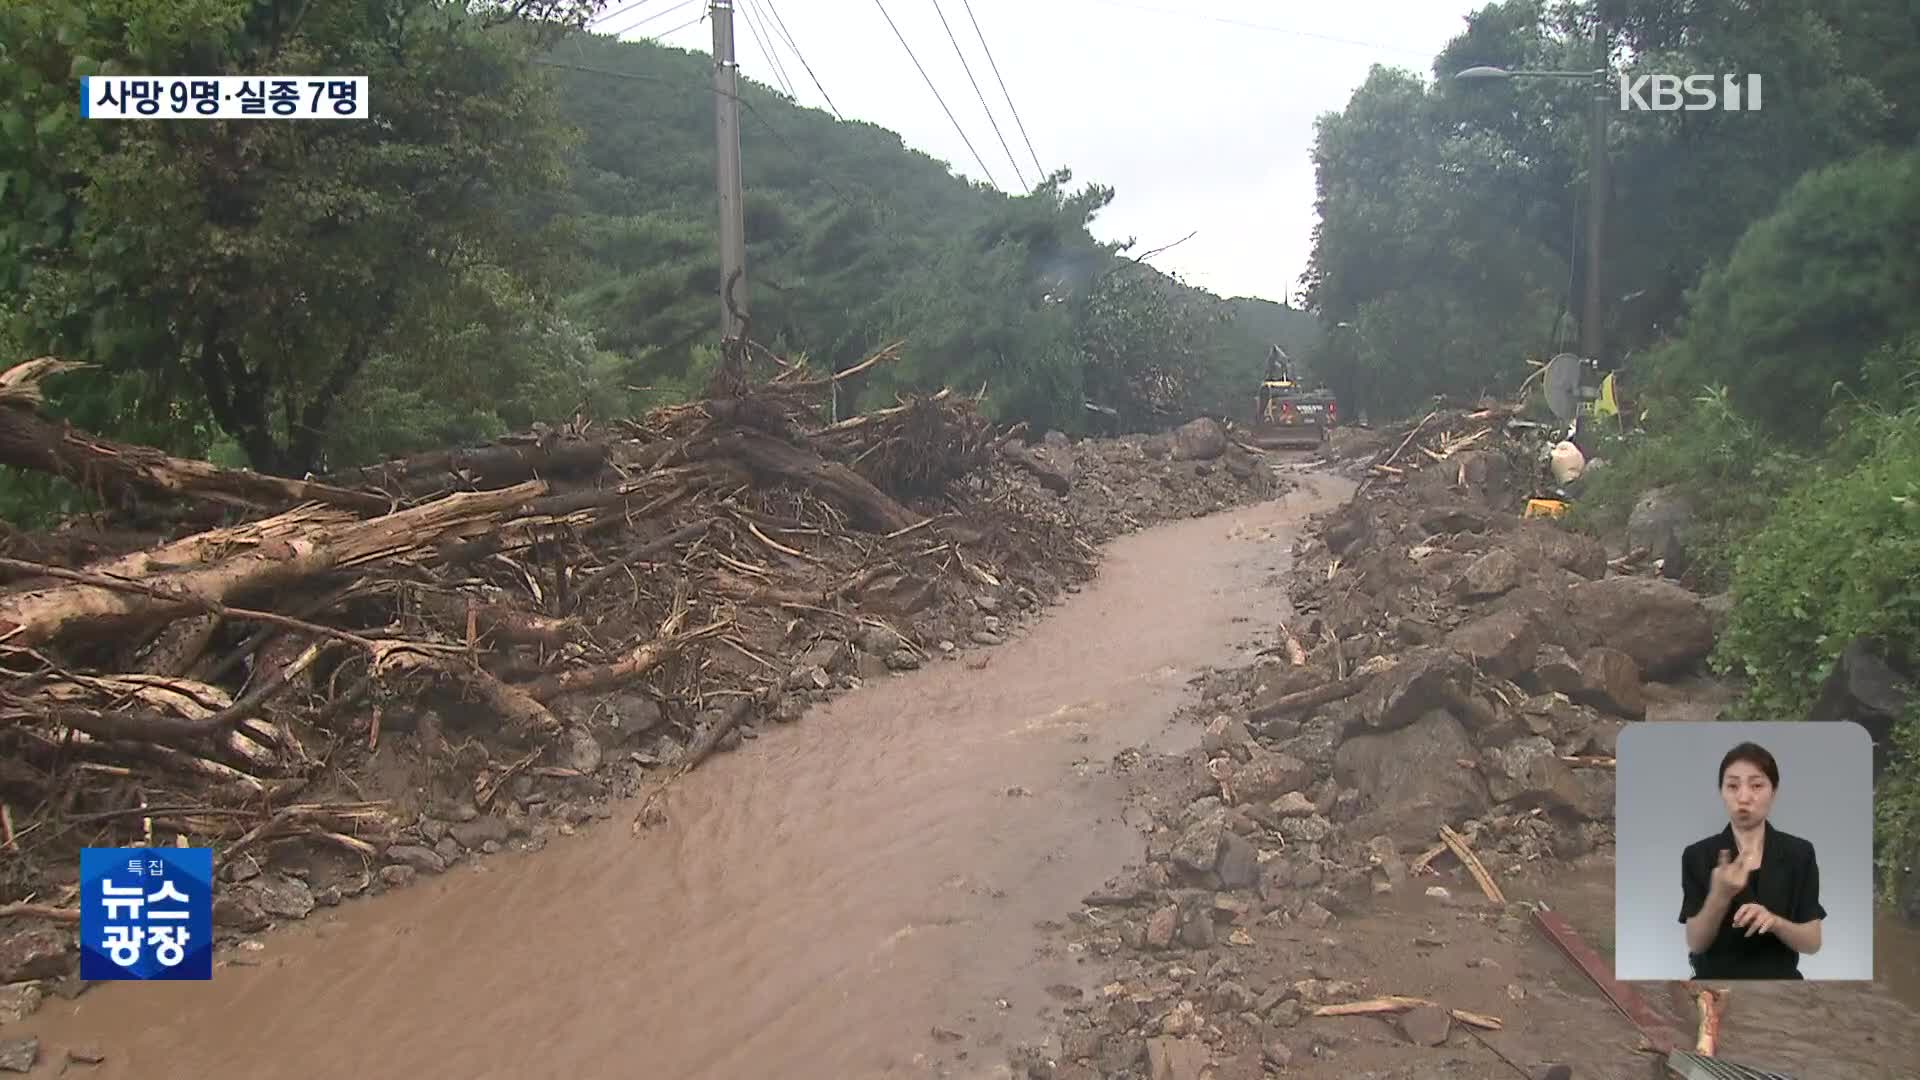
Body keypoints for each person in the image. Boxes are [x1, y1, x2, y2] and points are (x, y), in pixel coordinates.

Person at [1678, 742, 1826, 979]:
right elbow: (1696, 943)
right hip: (1715, 985)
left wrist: (1775, 922)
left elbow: (1812, 942)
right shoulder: (1698, 855)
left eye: (1756, 785)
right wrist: (1719, 895)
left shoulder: (1800, 853)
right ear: (1721, 792)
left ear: (1774, 792)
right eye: (1733, 786)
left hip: (1782, 988)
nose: (1743, 797)